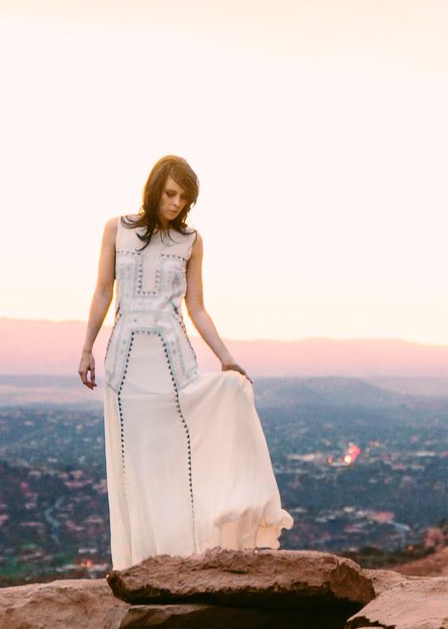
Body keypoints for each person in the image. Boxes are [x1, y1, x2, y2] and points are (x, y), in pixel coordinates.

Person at [78, 154, 293, 569]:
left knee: (179, 459)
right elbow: (103, 291)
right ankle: (137, 564)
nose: (177, 203)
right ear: (154, 187)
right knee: (132, 464)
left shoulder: (192, 241)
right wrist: (86, 347)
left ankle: (183, 559)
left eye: (185, 198)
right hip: (124, 363)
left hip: (173, 361)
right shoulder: (115, 230)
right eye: (171, 193)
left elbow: (197, 307)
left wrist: (227, 359)